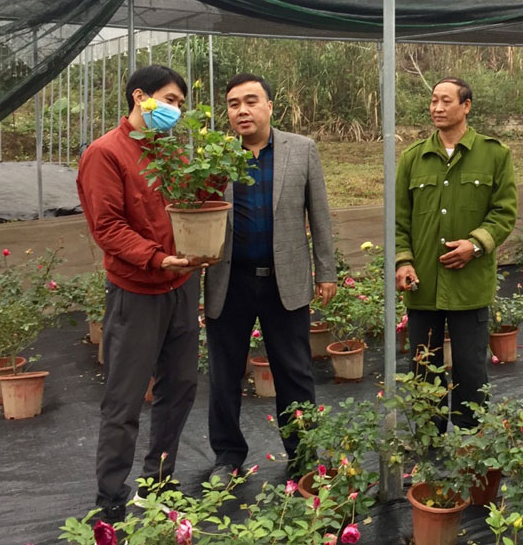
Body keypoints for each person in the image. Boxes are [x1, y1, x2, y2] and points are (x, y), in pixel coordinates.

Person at [77, 65, 204, 525]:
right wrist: (156, 257)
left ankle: (161, 481)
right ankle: (111, 496)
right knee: (125, 398)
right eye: (168, 100)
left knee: (181, 388)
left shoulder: (167, 152)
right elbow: (108, 227)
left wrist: (217, 168)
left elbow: (191, 204)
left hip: (180, 288)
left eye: (179, 105)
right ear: (139, 98)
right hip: (137, 291)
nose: (175, 111)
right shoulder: (105, 154)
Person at [203, 73, 337, 484]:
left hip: (286, 281)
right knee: (225, 374)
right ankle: (228, 457)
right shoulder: (215, 156)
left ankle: (302, 455)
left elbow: (320, 213)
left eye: (250, 101)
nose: (241, 110)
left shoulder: (301, 150)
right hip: (230, 281)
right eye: (232, 104)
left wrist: (326, 271)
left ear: (269, 106)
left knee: (294, 373)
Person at [394, 77, 517, 432]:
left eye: (446, 101)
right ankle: (429, 436)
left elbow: (504, 211)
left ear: (466, 106)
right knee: (423, 364)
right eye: (433, 101)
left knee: (470, 366)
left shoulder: (495, 154)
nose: (437, 108)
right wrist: (404, 260)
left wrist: (475, 244)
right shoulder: (413, 158)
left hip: (469, 283)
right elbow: (400, 218)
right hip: (424, 285)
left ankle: (469, 438)